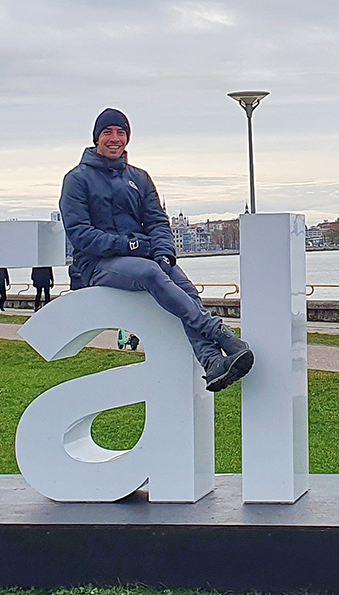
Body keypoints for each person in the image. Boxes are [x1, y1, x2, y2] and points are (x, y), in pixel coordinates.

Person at [60, 107, 253, 391]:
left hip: (143, 257)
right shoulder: (77, 179)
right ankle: (221, 334)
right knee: (151, 273)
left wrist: (164, 254)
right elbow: (80, 234)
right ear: (96, 138)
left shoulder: (139, 178)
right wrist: (131, 244)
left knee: (184, 289)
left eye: (121, 133)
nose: (115, 139)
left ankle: (212, 363)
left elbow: (157, 221)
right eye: (108, 133)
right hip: (96, 265)